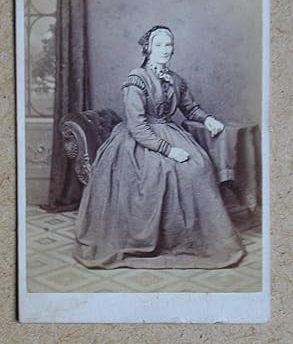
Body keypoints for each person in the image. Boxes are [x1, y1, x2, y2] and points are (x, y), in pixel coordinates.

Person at [73, 25, 246, 269]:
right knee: (164, 173)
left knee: (199, 166)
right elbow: (137, 126)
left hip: (167, 129)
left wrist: (207, 119)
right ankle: (161, 240)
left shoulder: (175, 79)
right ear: (148, 49)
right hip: (139, 140)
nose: (165, 50)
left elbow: (190, 108)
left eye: (169, 45)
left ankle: (193, 238)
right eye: (159, 45)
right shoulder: (136, 80)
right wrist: (168, 150)